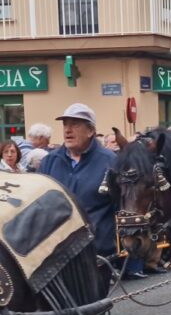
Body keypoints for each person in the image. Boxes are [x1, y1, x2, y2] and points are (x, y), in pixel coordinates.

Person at [39, 103, 123, 268]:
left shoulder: (110, 161)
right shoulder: (50, 161)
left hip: (97, 254)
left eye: (75, 124)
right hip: (56, 254)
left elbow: (120, 205)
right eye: (65, 124)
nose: (67, 130)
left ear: (90, 131)